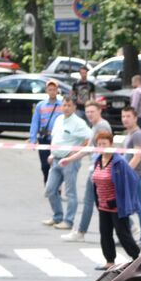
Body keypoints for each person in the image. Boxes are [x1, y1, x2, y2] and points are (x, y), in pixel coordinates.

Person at [87, 127, 141, 270]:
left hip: (117, 206)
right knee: (105, 233)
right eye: (99, 144)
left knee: (123, 233)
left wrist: (121, 200)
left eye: (104, 144)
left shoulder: (119, 162)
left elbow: (133, 179)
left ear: (111, 144)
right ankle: (109, 261)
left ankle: (138, 259)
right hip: (103, 205)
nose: (102, 147)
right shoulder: (98, 161)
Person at [59, 100, 112, 237]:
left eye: (92, 111)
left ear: (99, 111)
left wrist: (102, 167)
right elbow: (88, 148)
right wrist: (69, 159)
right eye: (87, 112)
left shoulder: (102, 126)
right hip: (96, 168)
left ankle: (81, 232)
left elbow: (106, 149)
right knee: (100, 200)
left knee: (93, 201)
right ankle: (81, 231)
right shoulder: (95, 126)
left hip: (99, 169)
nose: (89, 114)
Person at [42, 97, 91, 228]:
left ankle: (68, 221)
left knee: (70, 192)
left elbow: (89, 138)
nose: (66, 108)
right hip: (56, 160)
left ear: (74, 107)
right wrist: (52, 154)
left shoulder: (78, 123)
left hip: (70, 161)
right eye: (64, 105)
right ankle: (57, 217)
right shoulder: (58, 120)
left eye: (69, 105)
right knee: (50, 189)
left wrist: (75, 152)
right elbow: (56, 139)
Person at [120, 105, 141, 247]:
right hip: (131, 176)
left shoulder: (137, 134)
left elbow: (137, 157)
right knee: (124, 206)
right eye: (123, 116)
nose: (125, 119)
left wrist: (125, 173)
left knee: (139, 207)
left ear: (135, 118)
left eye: (128, 116)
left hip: (136, 176)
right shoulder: (130, 134)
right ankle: (126, 236)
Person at [29, 79, 65, 183]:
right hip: (44, 139)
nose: (52, 91)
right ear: (46, 90)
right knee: (45, 165)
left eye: (54, 89)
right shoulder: (41, 105)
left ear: (57, 90)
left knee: (57, 164)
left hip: (58, 140)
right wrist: (33, 139)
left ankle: (56, 186)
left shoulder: (62, 105)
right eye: (50, 89)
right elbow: (35, 122)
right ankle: (48, 184)